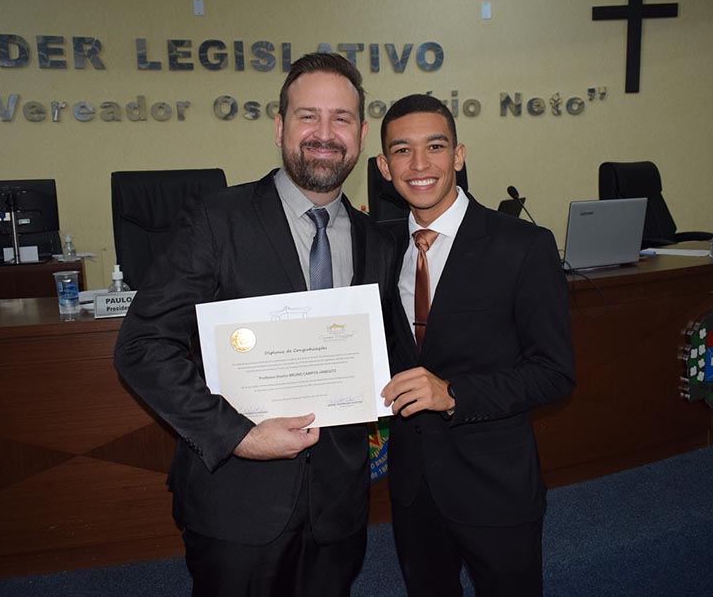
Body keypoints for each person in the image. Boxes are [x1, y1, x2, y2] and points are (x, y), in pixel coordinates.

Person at [114, 52, 395, 597]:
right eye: (307, 116)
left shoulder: (377, 241)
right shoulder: (217, 219)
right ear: (279, 127)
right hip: (237, 505)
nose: (324, 133)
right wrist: (237, 435)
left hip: (338, 505)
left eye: (341, 119)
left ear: (361, 135)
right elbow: (143, 346)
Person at [377, 94, 575, 597]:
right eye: (402, 151)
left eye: (435, 147)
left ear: (459, 155)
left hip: (495, 483)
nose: (419, 165)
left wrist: (455, 394)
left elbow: (554, 371)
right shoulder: (376, 247)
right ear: (383, 166)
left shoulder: (524, 246)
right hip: (413, 484)